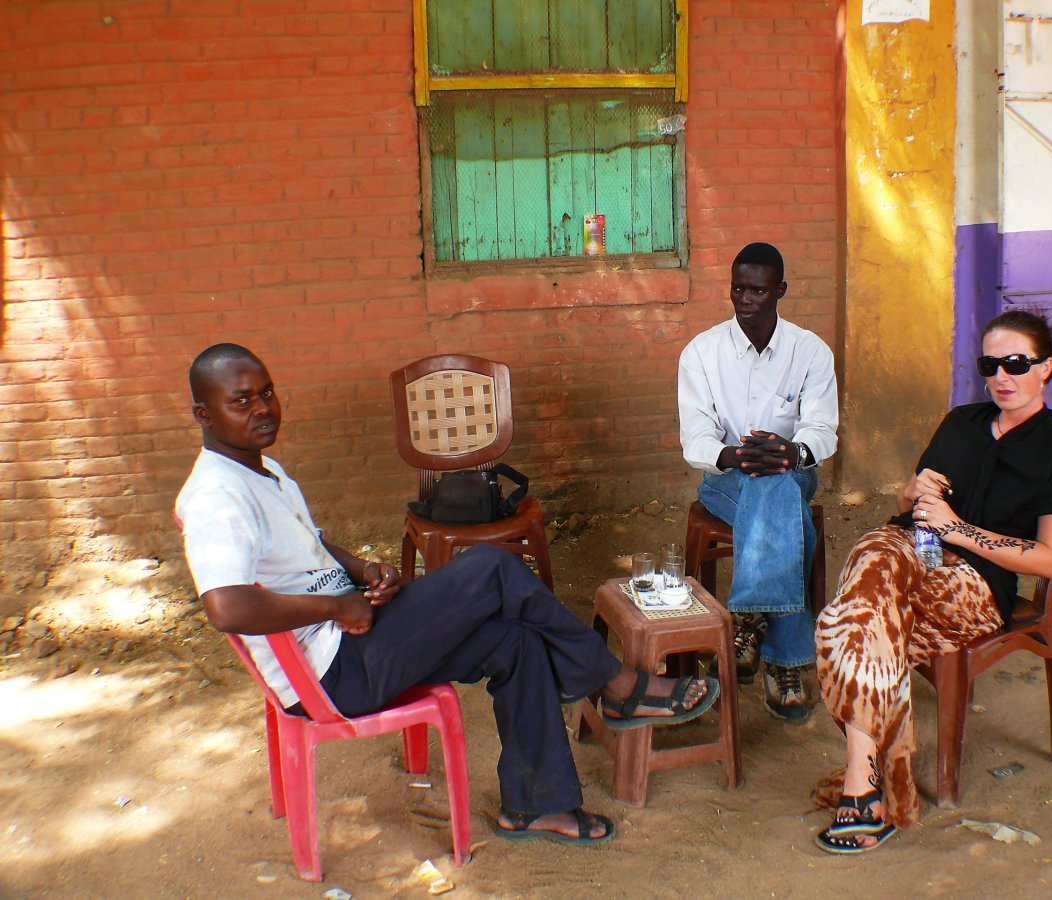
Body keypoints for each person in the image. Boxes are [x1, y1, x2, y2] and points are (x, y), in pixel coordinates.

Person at [175, 343, 718, 847]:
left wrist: (362, 570)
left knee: (514, 641)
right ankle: (615, 683)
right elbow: (226, 607)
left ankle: (537, 806)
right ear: (204, 414)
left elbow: (309, 546)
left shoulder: (262, 469)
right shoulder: (216, 496)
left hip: (354, 637)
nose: (262, 408)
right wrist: (336, 604)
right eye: (241, 400)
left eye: (267, 392)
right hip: (330, 673)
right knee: (492, 567)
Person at [812, 310, 1052, 854]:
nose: (1002, 377)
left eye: (1016, 364)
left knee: (849, 623)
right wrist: (912, 491)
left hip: (977, 587)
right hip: (910, 553)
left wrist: (956, 529)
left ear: (1046, 368)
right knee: (872, 557)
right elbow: (908, 504)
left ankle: (865, 786)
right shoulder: (962, 423)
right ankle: (871, 791)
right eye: (990, 365)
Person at [678, 242, 838, 722]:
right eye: (738, 289)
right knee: (778, 497)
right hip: (726, 479)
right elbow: (696, 440)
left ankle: (747, 622)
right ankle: (786, 664)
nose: (745, 300)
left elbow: (821, 430)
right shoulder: (702, 352)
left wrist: (792, 452)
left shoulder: (810, 352)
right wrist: (737, 455)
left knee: (779, 484)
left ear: (780, 290)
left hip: (794, 473)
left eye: (758, 291)